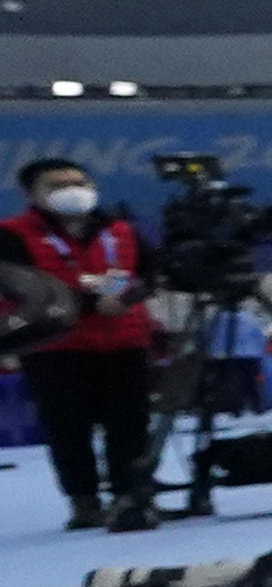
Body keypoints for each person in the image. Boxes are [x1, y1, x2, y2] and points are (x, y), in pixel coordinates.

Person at [7, 158, 157, 533]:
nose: (71, 190)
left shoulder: (121, 230)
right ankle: (84, 501)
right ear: (32, 194)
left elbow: (150, 272)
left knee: (130, 423)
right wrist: (94, 301)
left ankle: (131, 496)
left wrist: (127, 296)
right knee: (67, 427)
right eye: (57, 185)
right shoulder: (11, 234)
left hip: (123, 339)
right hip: (55, 346)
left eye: (79, 182)